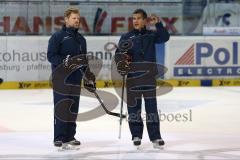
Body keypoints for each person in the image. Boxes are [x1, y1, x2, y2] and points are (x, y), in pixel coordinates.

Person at [115, 9, 170, 149]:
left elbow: (164, 37)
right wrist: (122, 61)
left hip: (149, 78)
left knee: (151, 108)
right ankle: (136, 135)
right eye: (134, 18)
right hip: (133, 78)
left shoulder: (151, 35)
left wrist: (158, 24)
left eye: (139, 18)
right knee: (134, 109)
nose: (136, 21)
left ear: (145, 21)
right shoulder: (126, 37)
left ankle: (156, 136)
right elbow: (118, 55)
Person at [47, 7, 96, 149]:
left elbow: (84, 61)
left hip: (75, 79)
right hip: (61, 79)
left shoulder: (81, 39)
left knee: (73, 109)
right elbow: (51, 56)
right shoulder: (58, 37)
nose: (77, 21)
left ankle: (69, 137)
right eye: (74, 18)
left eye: (78, 19)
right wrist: (65, 61)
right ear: (66, 19)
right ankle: (59, 137)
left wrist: (89, 77)